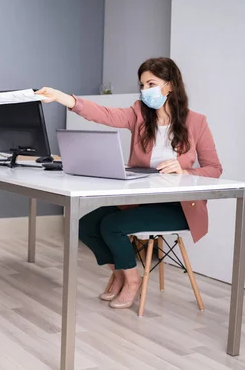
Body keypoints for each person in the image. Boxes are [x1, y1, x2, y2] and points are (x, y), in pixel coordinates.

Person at [35, 57, 222, 309]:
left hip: (178, 208)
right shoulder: (139, 115)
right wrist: (63, 98)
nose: (145, 90)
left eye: (151, 83)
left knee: (112, 225)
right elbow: (104, 114)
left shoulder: (196, 122)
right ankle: (122, 273)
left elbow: (215, 169)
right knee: (86, 224)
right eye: (142, 85)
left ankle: (133, 282)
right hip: (141, 202)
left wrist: (185, 169)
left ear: (170, 86)